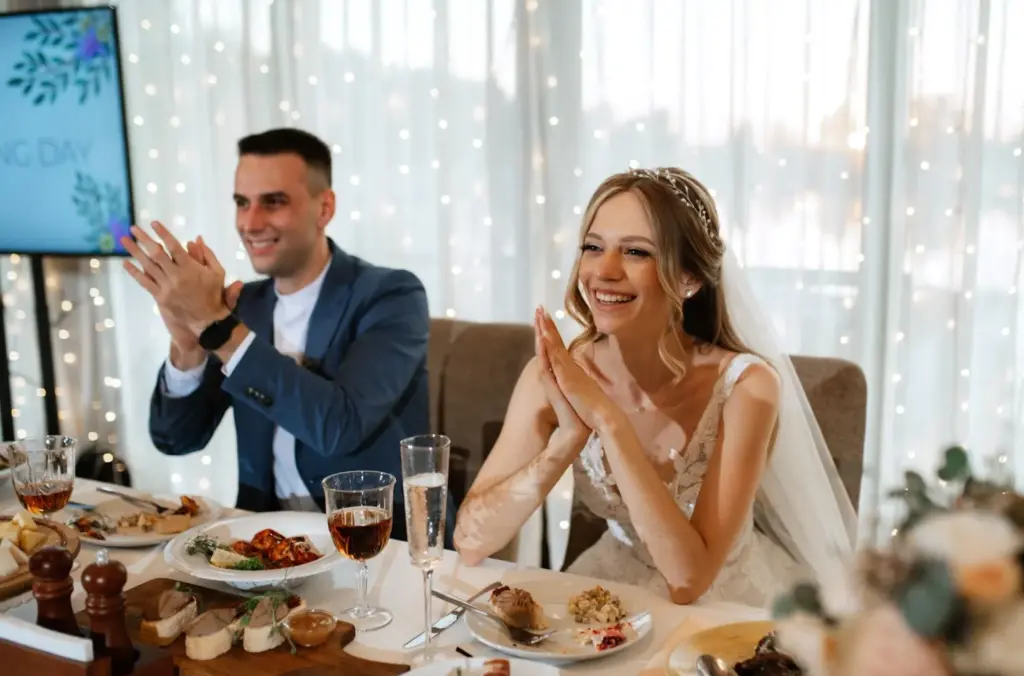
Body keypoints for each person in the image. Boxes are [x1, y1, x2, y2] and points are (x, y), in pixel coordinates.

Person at [454, 167, 857, 606]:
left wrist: (608, 421)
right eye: (593, 247)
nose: (604, 271)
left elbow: (689, 581)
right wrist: (567, 440)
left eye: (636, 253)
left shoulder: (747, 388)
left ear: (690, 279)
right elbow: (472, 541)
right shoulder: (553, 375)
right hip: (613, 583)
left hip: (721, 599)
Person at [122, 127, 451, 545]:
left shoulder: (392, 295)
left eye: (272, 202)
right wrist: (188, 346)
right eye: (242, 203)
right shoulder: (244, 306)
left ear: (324, 207)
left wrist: (216, 326)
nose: (250, 223)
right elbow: (176, 439)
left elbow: (339, 427)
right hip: (269, 541)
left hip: (379, 542)